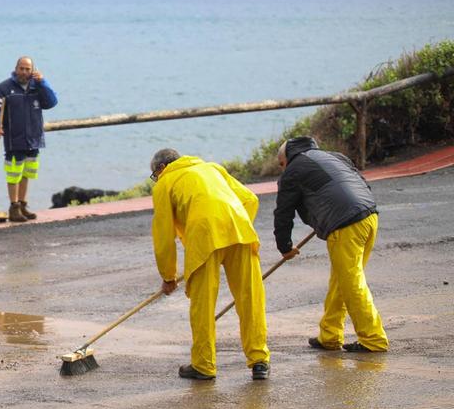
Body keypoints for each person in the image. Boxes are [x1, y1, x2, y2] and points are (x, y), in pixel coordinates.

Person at [149, 148, 271, 380]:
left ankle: (204, 365)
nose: (156, 178)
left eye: (155, 174)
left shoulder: (164, 183)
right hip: (240, 231)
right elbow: (249, 199)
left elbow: (163, 236)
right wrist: (233, 226)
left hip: (204, 237)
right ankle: (259, 361)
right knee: (250, 299)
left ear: (161, 168)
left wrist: (168, 276)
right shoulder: (212, 167)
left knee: (203, 306)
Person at [274, 136, 388, 353]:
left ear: (286, 158)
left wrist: (285, 247)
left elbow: (283, 213)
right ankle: (330, 334)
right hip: (369, 216)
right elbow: (362, 184)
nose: (282, 169)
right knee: (342, 279)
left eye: (281, 164)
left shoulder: (293, 171)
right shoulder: (335, 156)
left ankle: (373, 339)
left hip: (346, 224)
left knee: (352, 282)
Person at [0, 56, 58, 222]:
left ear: (32, 70)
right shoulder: (4, 88)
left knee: (27, 173)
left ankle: (23, 205)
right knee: (13, 174)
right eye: (21, 68)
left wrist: (43, 83)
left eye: (27, 69)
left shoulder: (37, 87)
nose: (24, 72)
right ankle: (14, 207)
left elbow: (51, 102)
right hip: (14, 138)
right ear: (16, 69)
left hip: (34, 138)